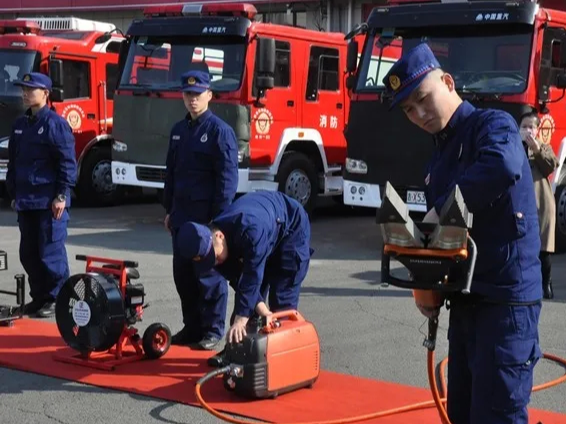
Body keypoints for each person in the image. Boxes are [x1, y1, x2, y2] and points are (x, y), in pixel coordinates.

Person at [382, 43, 542, 424]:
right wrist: (428, 285)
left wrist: (442, 207)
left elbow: (503, 166)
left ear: (448, 82)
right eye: (408, 110)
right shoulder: (440, 155)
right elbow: (446, 233)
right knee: (463, 413)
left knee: (497, 415)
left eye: (423, 99)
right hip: (467, 301)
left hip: (506, 302)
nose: (419, 114)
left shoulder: (492, 125)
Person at [162, 69, 239, 349]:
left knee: (209, 277)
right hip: (182, 218)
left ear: (209, 95)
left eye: (197, 94)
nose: (192, 99)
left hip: (206, 219)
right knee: (183, 276)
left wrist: (219, 221)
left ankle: (212, 330)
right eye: (187, 94)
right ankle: (192, 327)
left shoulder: (220, 132)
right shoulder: (178, 131)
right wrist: (168, 210)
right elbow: (171, 174)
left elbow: (227, 180)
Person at [175, 190, 313, 345]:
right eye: (210, 261)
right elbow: (240, 281)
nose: (215, 262)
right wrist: (262, 313)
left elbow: (252, 277)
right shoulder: (215, 252)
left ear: (219, 236)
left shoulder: (249, 231)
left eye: (215, 257)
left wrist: (241, 318)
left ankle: (286, 355)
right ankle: (246, 355)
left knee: (282, 303)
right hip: (267, 230)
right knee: (249, 313)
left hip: (292, 228)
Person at [6, 72, 77, 318]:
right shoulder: (20, 126)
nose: (25, 93)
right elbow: (14, 163)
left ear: (45, 94)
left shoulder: (56, 124)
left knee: (51, 252)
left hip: (49, 202)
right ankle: (40, 297)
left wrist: (61, 196)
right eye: (23, 89)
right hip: (26, 201)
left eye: (31, 89)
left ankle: (58, 298)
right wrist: (13, 193)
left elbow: (67, 164)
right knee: (28, 253)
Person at [518, 112, 559, 299]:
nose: (527, 130)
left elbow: (551, 166)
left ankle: (546, 283)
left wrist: (536, 149)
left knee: (544, 249)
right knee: (522, 246)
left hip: (542, 204)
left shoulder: (544, 148)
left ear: (537, 129)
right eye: (524, 126)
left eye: (531, 127)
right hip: (521, 204)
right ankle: (524, 284)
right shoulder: (515, 148)